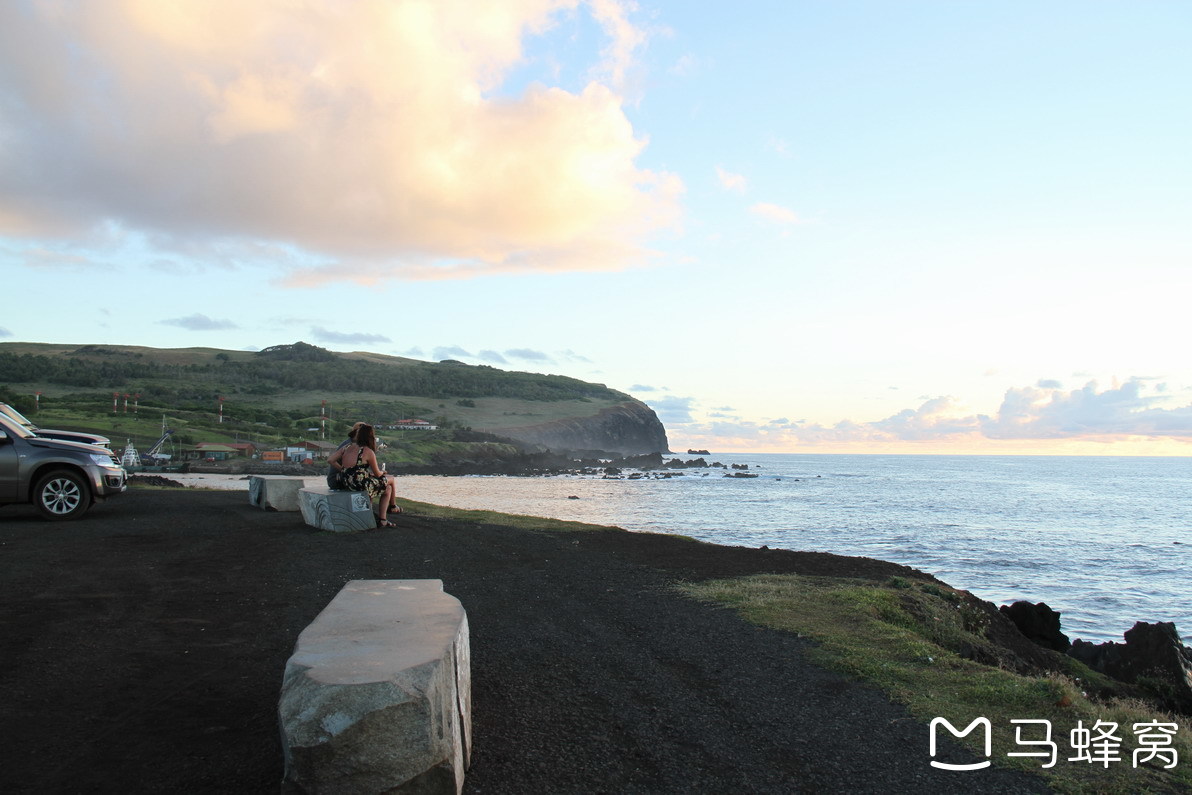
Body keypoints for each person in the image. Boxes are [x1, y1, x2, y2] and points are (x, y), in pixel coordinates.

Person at [326, 423, 400, 527]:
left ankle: (386, 514)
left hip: (347, 482)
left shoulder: (346, 447)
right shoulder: (367, 451)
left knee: (385, 487)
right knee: (390, 481)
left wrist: (344, 470)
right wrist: (383, 472)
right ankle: (389, 512)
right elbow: (377, 474)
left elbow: (330, 460)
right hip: (360, 485)